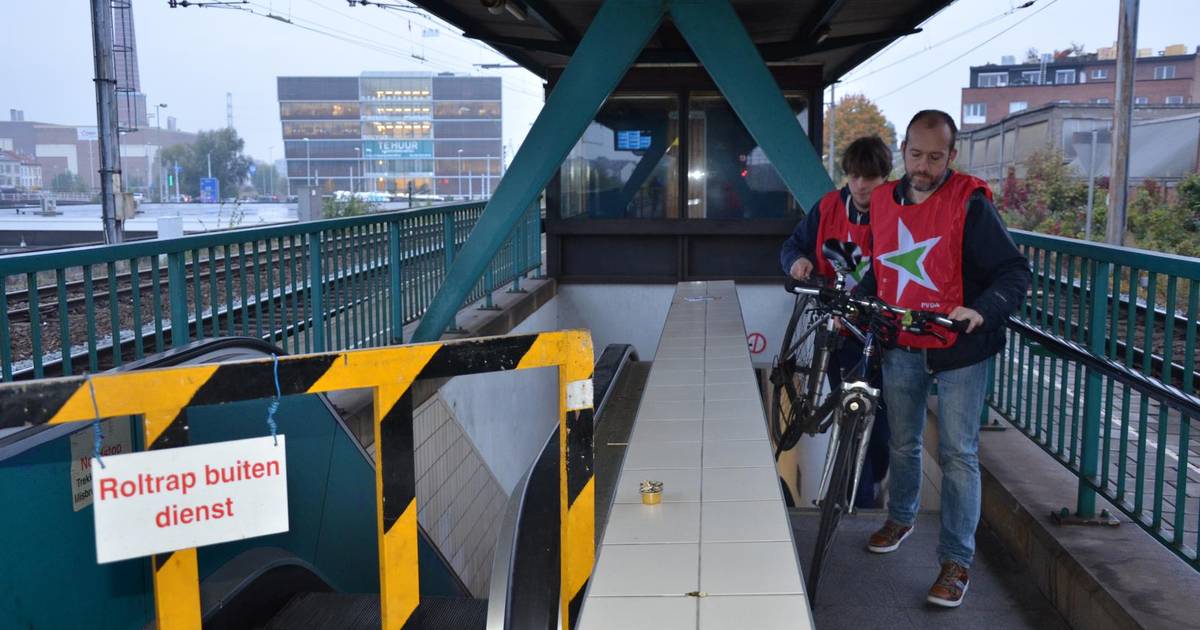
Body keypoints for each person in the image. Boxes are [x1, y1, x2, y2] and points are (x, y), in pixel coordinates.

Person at [858, 110, 1030, 608]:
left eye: (936, 157)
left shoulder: (970, 204)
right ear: (902, 150)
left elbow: (1015, 274)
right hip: (903, 341)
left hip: (961, 348)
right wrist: (857, 296)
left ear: (953, 157)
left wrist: (981, 310)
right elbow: (886, 266)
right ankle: (902, 517)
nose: (924, 167)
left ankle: (956, 562)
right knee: (904, 442)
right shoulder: (885, 201)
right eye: (916, 154)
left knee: (958, 455)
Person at [779, 135, 893, 509]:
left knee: (880, 424)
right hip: (839, 332)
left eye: (871, 178)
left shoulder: (898, 213)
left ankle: (874, 481)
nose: (862, 185)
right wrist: (797, 263)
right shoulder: (828, 207)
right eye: (855, 176)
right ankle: (856, 502)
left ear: (885, 178)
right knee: (850, 417)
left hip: (885, 334)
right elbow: (792, 246)